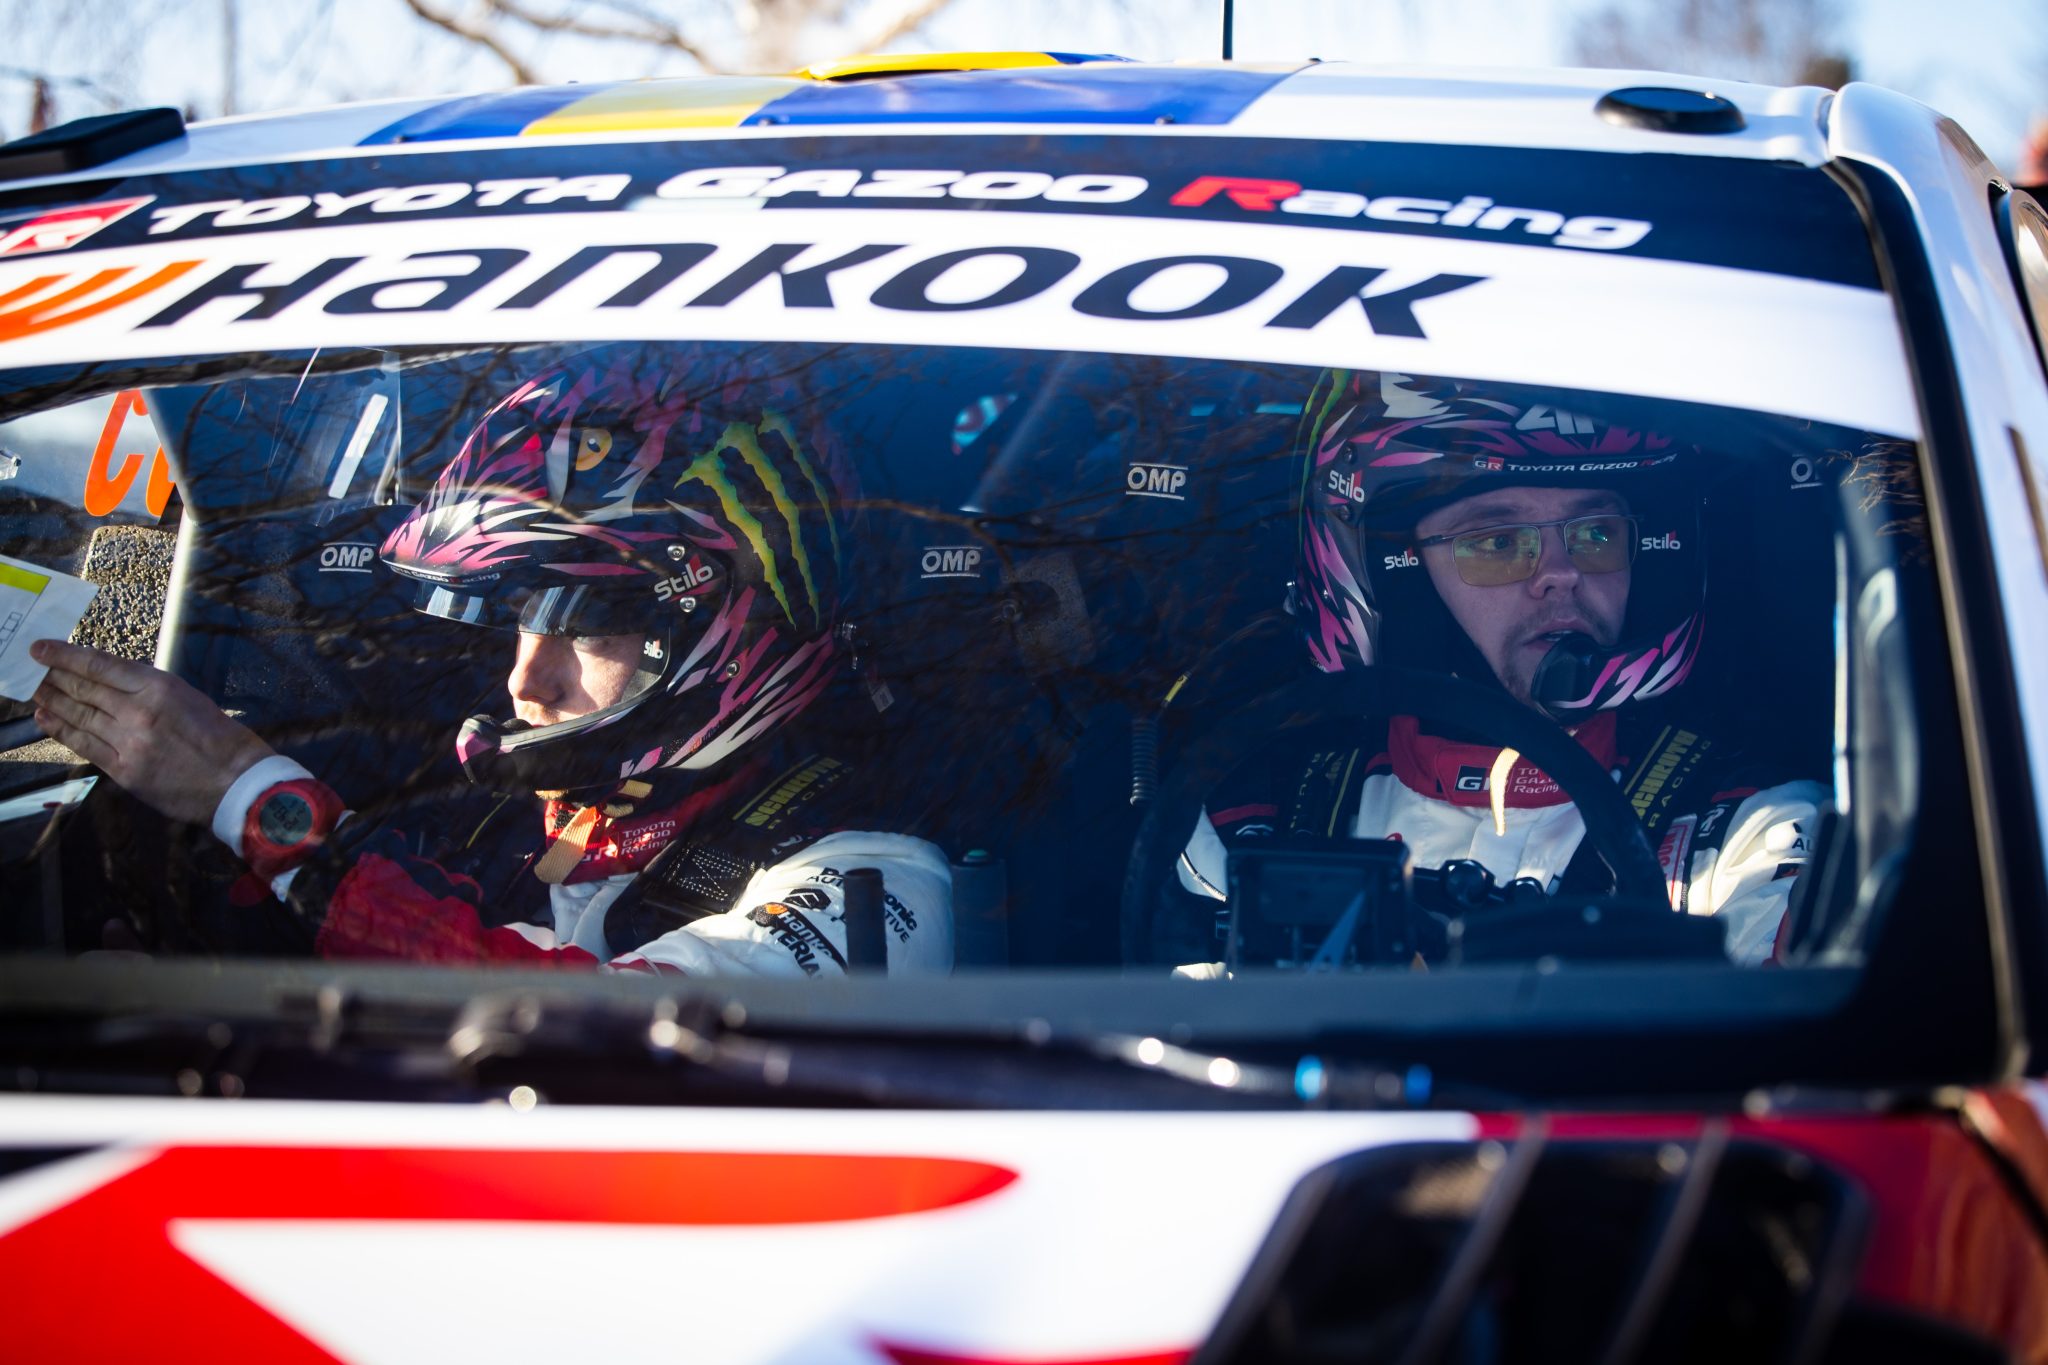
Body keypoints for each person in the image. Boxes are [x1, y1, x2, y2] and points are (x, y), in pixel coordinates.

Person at [30, 353, 953, 976]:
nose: (524, 682)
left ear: (729, 614)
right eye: (519, 618)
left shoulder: (870, 877)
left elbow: (617, 1048)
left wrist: (255, 801)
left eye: (585, 625)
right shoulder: (480, 809)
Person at [1178, 370, 1823, 967]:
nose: (1561, 574)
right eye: (1497, 542)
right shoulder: (1252, 823)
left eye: (1596, 533)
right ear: (1400, 579)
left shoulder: (1743, 830)